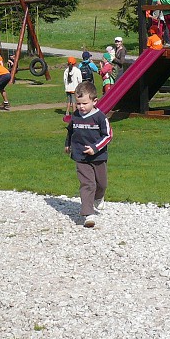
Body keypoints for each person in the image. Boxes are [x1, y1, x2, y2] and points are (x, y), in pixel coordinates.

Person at [64, 81, 112, 229]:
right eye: (78, 104)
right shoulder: (76, 116)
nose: (81, 107)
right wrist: (68, 144)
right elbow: (71, 131)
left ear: (94, 101)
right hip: (81, 156)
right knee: (87, 184)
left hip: (98, 157)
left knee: (101, 183)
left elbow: (108, 135)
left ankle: (99, 197)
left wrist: (95, 148)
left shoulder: (100, 117)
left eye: (84, 103)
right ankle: (88, 214)